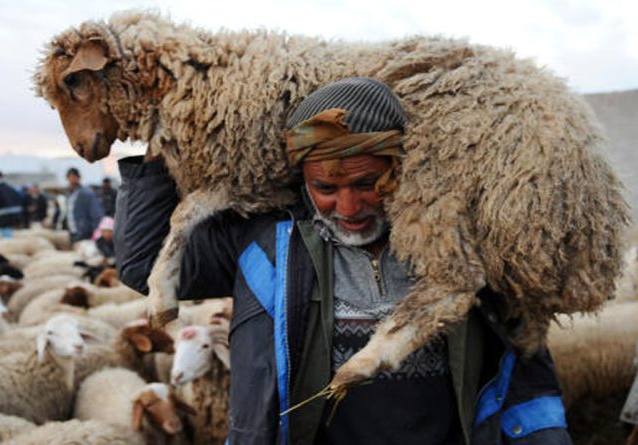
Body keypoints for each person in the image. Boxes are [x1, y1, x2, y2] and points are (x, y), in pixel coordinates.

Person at [114, 78, 571, 444]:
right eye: (326, 189)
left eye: (367, 183)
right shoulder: (266, 243)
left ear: (401, 165)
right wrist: (159, 150)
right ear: (303, 180)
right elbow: (140, 265)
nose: (349, 208)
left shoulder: (461, 244)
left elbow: (523, 362)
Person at [65, 168, 104, 243]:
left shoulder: (87, 193)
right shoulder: (68, 194)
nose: (72, 179)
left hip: (84, 233)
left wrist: (95, 232)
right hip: (72, 231)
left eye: (74, 177)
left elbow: (96, 214)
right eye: (70, 177)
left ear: (78, 178)